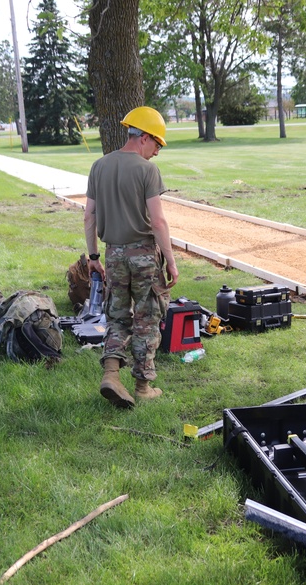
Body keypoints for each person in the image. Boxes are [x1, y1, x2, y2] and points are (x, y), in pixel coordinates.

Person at [84, 106, 179, 408]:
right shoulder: (146, 170)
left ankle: (111, 374)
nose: (157, 153)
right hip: (144, 256)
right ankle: (143, 386)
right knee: (148, 317)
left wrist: (93, 255)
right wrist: (171, 261)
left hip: (113, 255)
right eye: (157, 144)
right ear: (145, 137)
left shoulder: (99, 166)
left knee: (117, 316)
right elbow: (159, 221)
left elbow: (89, 216)